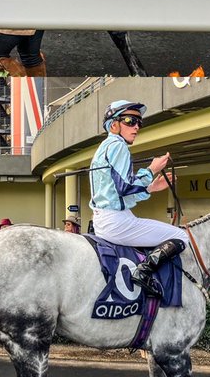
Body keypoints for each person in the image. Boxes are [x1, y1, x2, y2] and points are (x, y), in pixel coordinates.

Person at [89, 99, 186, 297]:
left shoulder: (106, 146)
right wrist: (152, 169)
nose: (136, 127)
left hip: (109, 217)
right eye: (130, 121)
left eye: (139, 123)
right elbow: (125, 188)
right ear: (114, 125)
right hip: (115, 221)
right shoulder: (118, 146)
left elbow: (118, 195)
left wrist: (151, 188)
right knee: (181, 236)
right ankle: (142, 272)